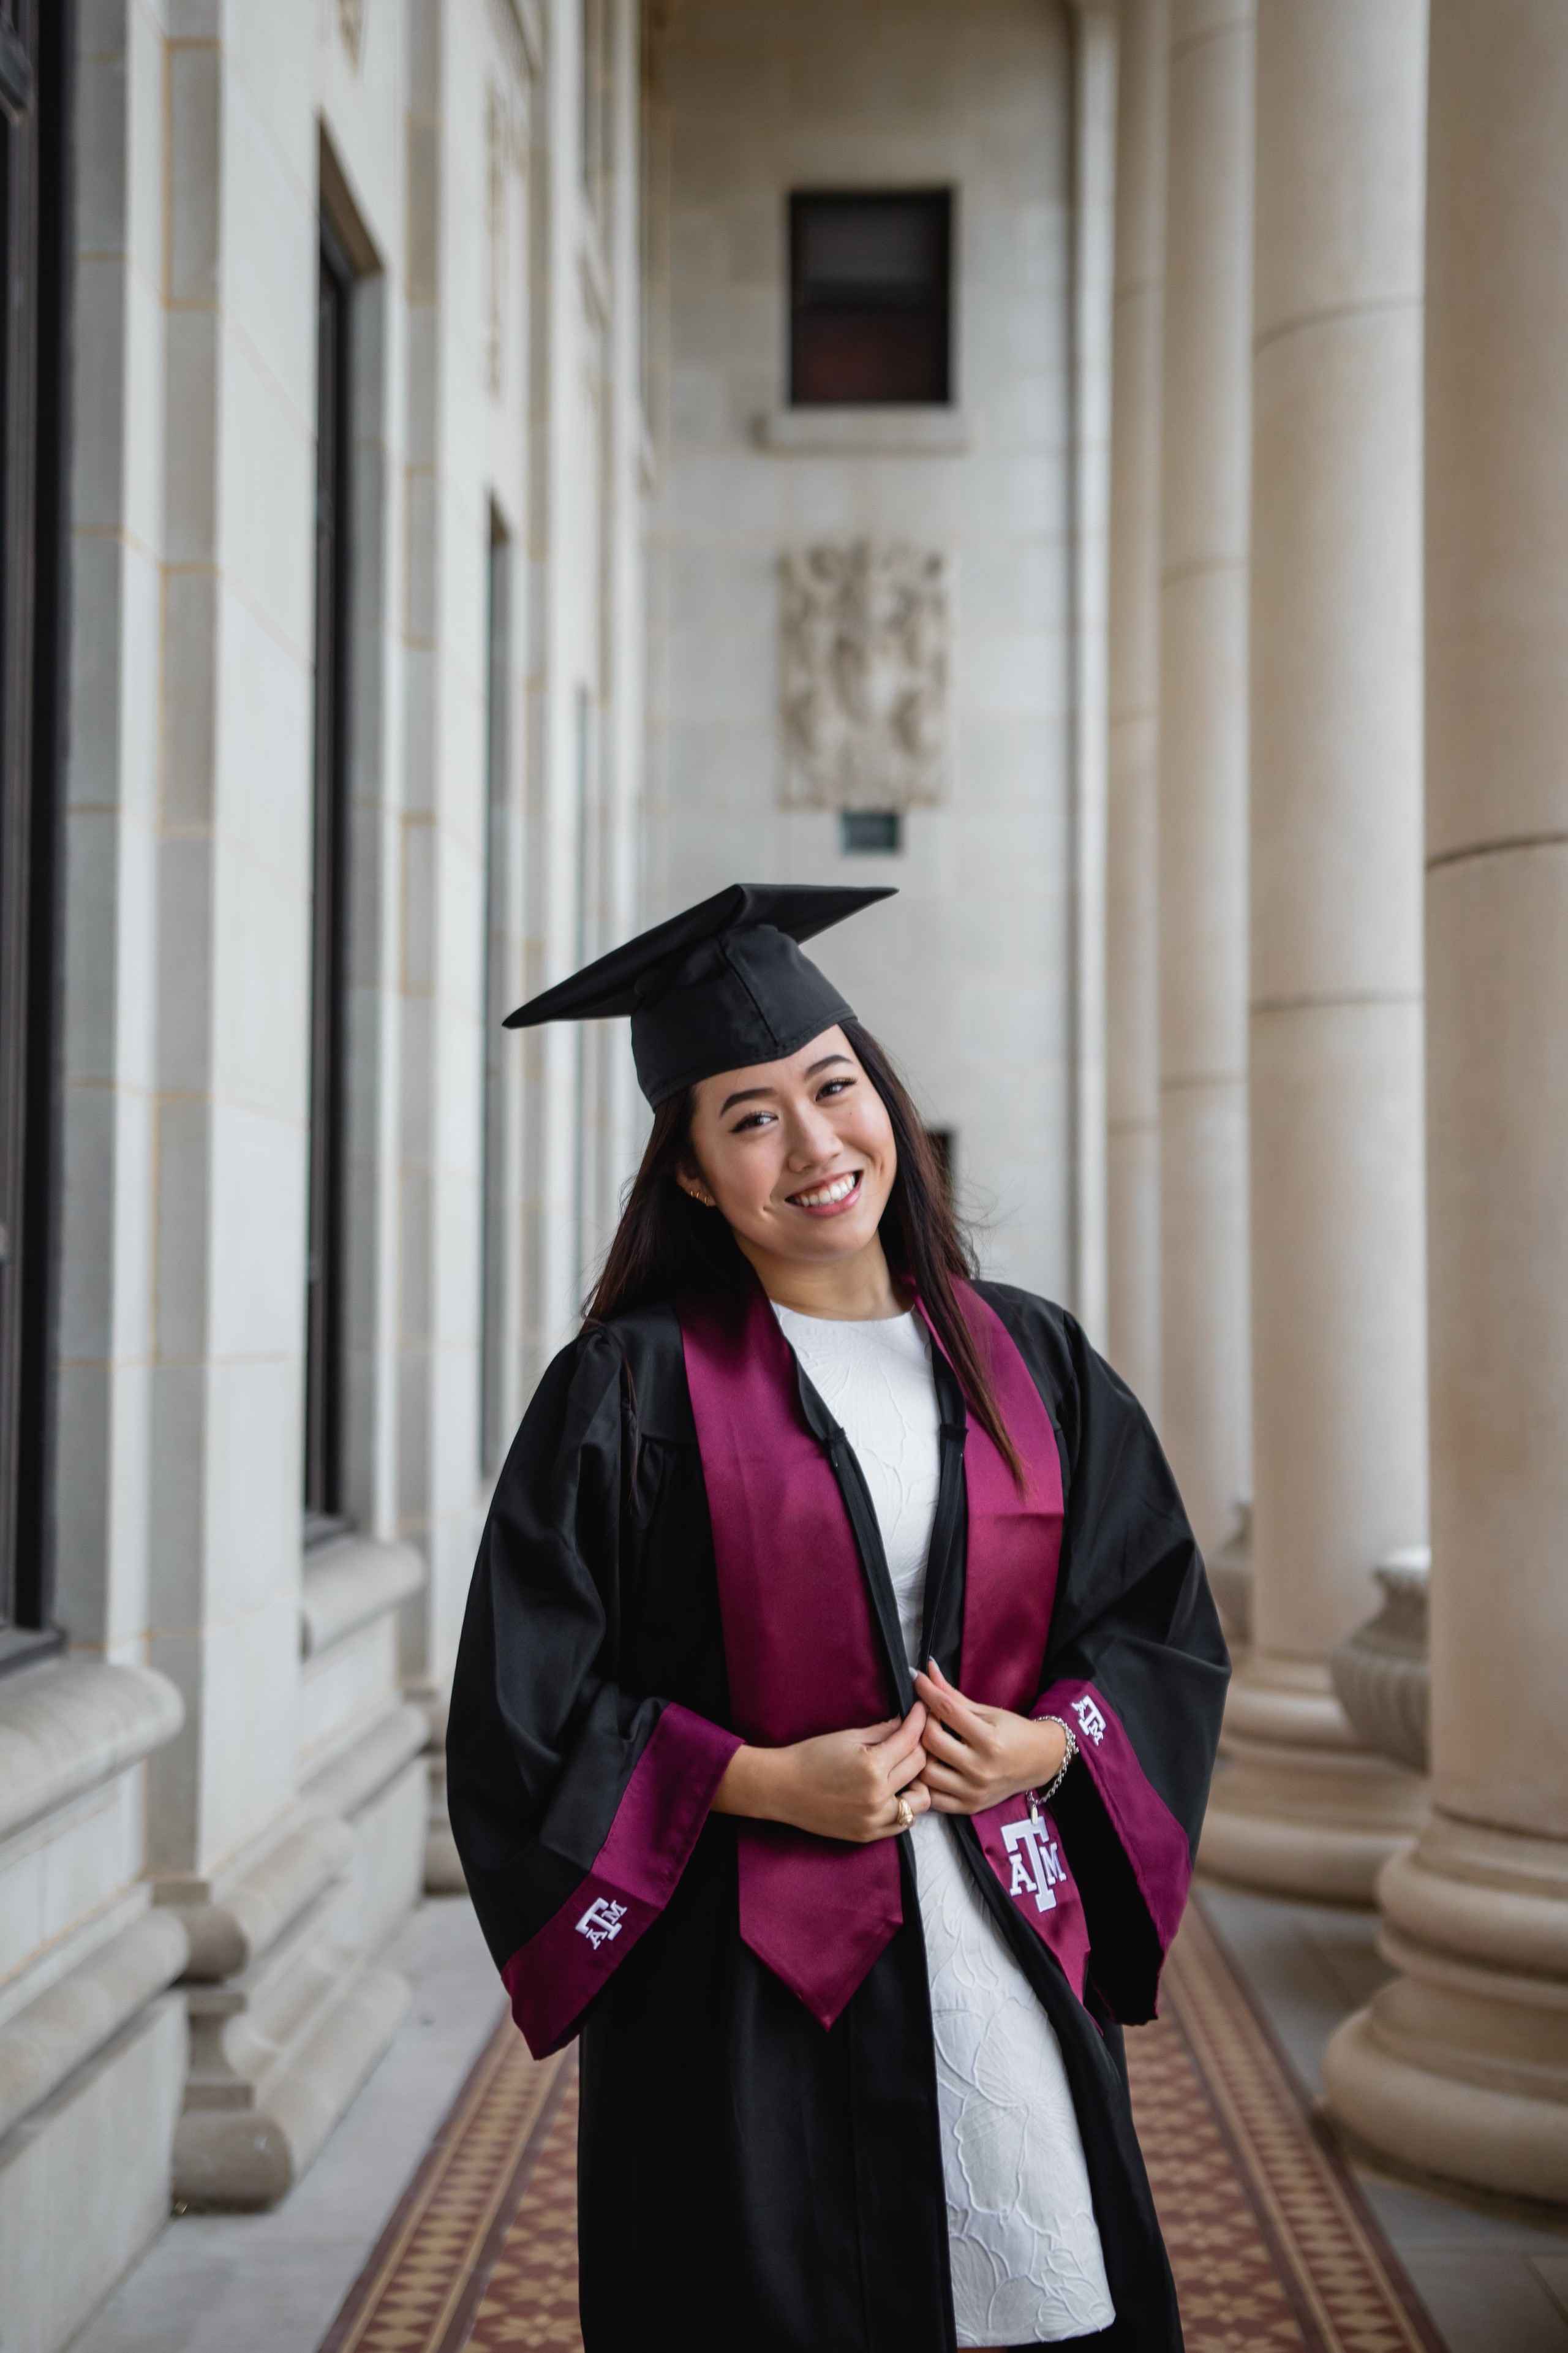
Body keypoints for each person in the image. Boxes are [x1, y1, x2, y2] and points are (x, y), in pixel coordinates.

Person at [447, 883, 1229, 2353]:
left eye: (831, 1086)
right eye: (747, 1118)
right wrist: (753, 1777)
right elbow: (523, 1702)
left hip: (995, 1935)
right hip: (743, 1987)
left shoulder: (1032, 1361)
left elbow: (1152, 1625)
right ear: (688, 1175)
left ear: (881, 1094)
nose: (812, 1147)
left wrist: (1046, 1747)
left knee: (1037, 2301)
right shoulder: (626, 1390)